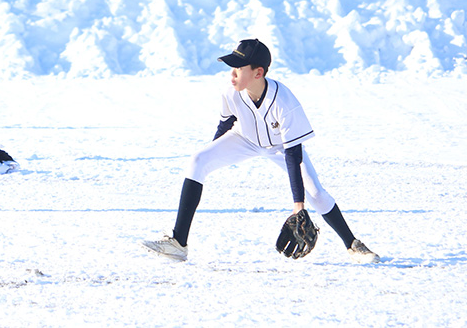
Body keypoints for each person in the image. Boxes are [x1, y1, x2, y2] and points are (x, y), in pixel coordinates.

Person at [142, 39, 380, 263]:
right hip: (243, 138)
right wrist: (212, 150)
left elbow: (293, 154)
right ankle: (178, 243)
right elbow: (226, 123)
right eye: (231, 67)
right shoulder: (230, 92)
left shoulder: (284, 102)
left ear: (258, 73)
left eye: (238, 68)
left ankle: (353, 244)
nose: (232, 73)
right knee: (198, 160)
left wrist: (298, 206)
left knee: (316, 195)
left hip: (281, 147)